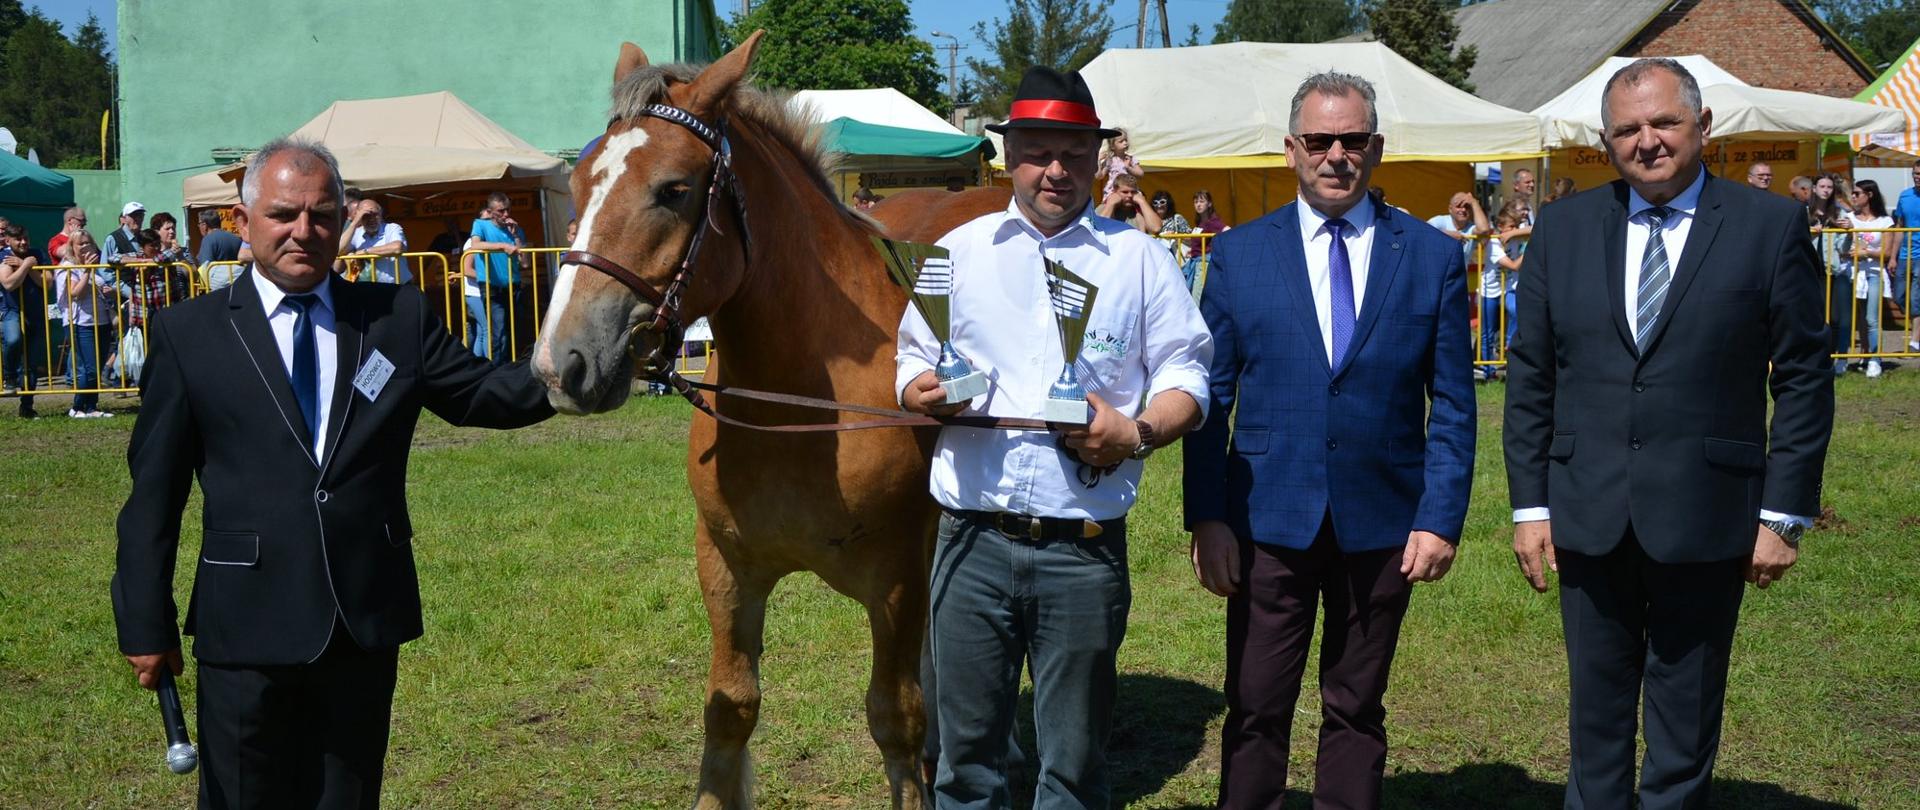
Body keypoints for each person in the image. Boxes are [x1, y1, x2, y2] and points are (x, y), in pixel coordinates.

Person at [111, 137, 555, 810]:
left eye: (323, 215)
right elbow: (155, 495)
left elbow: (486, 395)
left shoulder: (395, 318)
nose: (304, 231)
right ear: (244, 219)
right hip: (244, 627)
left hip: (360, 619)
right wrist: (145, 619)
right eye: (285, 214)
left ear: (343, 217)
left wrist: (588, 363)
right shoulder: (188, 334)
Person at [1503, 58, 1833, 810]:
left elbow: (1806, 377)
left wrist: (1784, 514)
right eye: (1627, 129)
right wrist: (1530, 508)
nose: (1647, 141)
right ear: (1606, 141)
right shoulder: (1564, 228)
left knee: (1684, 726)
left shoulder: (1770, 226)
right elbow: (1532, 378)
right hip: (1588, 514)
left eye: (1664, 123)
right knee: (1595, 721)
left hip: (1710, 513)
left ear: (1703, 127)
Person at [896, 66, 1211, 809]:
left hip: (1084, 549)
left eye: (1074, 153)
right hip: (970, 543)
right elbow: (912, 359)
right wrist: (919, 392)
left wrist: (1134, 432)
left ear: (1098, 158)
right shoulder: (957, 252)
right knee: (964, 766)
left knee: (1073, 769)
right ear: (1009, 156)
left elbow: (1188, 379)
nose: (1056, 170)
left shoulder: (1139, 261)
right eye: (1038, 151)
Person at [1183, 71, 1475, 810]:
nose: (1336, 154)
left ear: (1376, 148)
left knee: (1356, 706)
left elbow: (1455, 404)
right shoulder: (1241, 256)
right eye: (1320, 140)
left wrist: (1440, 517)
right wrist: (1208, 516)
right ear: (1291, 150)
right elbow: (1210, 402)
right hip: (1266, 522)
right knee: (1254, 705)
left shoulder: (1432, 257)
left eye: (1352, 139)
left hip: (1382, 524)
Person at [55, 231, 113, 418]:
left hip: (101, 320)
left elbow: (99, 288)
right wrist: (87, 271)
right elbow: (75, 292)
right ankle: (78, 407)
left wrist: (107, 290)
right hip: (80, 322)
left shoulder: (96, 265)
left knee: (98, 364)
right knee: (89, 367)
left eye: (88, 243)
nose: (85, 247)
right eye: (80, 244)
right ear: (72, 247)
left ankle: (92, 407)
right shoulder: (68, 266)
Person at [1842, 179, 1893, 378]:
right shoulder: (1848, 218)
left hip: (1874, 273)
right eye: (1853, 193)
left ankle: (1874, 358)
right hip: (1851, 273)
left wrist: (1866, 253)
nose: (1853, 197)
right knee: (1856, 318)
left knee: (1872, 318)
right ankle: (1861, 354)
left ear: (1869, 195)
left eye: (1857, 193)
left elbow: (1887, 253)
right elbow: (1844, 249)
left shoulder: (1884, 222)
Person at [469, 192, 523, 364]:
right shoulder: (480, 224)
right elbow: (475, 245)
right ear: (491, 212)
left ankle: (510, 367)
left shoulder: (514, 228)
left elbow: (526, 262)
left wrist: (515, 237)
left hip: (514, 285)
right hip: (492, 286)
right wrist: (502, 245)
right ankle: (495, 370)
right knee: (498, 331)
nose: (506, 215)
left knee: (513, 330)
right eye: (501, 211)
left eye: (507, 210)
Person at [1, 222, 46, 416]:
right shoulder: (3, 256)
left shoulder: (37, 253)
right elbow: (9, 284)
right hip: (11, 309)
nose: (23, 242)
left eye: (25, 238)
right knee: (13, 339)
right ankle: (10, 376)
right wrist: (26, 265)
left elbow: (47, 282)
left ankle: (27, 406)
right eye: (18, 239)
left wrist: (27, 265)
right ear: (8, 240)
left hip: (34, 311)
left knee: (32, 362)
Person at [1809, 174, 1852, 375]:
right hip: (1808, 271)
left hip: (1831, 270)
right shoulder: (1803, 212)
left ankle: (1831, 357)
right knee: (1812, 317)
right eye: (1822, 186)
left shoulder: (1839, 212)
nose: (1826, 190)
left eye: (1829, 187)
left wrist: (1849, 233)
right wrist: (1809, 232)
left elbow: (1843, 248)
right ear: (1814, 189)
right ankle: (1814, 358)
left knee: (1834, 317)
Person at [340, 198, 412, 285]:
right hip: (372, 289)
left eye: (375, 214)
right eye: (366, 216)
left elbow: (397, 247)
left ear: (381, 214)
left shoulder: (392, 228)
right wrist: (354, 223)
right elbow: (339, 250)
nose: (371, 219)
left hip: (399, 287)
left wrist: (364, 252)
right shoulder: (357, 232)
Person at [1890, 164, 1920, 351]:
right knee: (1900, 296)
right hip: (1905, 253)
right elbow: (1899, 227)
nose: (1918, 177)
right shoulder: (1905, 195)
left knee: (1916, 296)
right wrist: (1893, 256)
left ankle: (1915, 341)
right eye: (1915, 174)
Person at [1185, 189, 1226, 292]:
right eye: (1196, 202)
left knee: (1197, 296)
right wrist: (1194, 250)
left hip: (1204, 264)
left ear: (1209, 204)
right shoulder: (1200, 222)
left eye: (1201, 201)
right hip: (1196, 263)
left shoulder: (1213, 221)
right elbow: (1198, 241)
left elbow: (1227, 230)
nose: (1198, 204)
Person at [1095, 172, 1162, 234]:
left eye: (1133, 192)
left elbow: (1156, 228)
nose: (1130, 195)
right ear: (1115, 191)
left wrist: (1142, 201)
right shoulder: (1103, 208)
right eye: (1125, 192)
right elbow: (1098, 228)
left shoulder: (1142, 210)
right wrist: (1111, 204)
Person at [195, 209, 246, 290]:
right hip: (238, 284)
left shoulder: (208, 239)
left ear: (204, 225)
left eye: (199, 224)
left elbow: (205, 268)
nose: (198, 227)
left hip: (218, 289)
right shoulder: (236, 238)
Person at [1097, 127, 1143, 198]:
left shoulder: (1131, 158)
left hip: (1130, 189)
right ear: (1112, 146)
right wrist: (1098, 161)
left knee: (1140, 199)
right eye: (1121, 141)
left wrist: (1129, 168)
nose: (1125, 143)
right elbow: (1099, 176)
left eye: (1126, 140)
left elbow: (1141, 174)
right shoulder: (1110, 160)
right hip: (1114, 190)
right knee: (1112, 202)